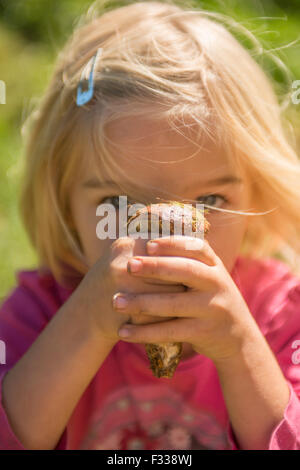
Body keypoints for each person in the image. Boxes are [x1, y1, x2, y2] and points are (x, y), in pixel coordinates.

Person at [1, 0, 300, 450]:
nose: (166, 239)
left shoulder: (281, 315)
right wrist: (83, 325)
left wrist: (239, 347)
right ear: (65, 203)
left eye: (209, 201)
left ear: (255, 190)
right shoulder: (37, 317)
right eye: (119, 204)